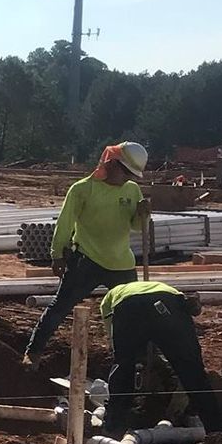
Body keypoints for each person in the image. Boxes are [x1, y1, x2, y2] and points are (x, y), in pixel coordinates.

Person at [24, 140, 151, 364]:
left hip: (121, 264)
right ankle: (33, 353)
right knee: (60, 307)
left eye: (132, 175)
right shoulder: (83, 189)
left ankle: (140, 359)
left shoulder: (132, 190)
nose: (128, 178)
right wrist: (57, 255)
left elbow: (136, 226)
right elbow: (65, 223)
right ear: (111, 163)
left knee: (135, 312)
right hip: (87, 260)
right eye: (126, 173)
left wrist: (143, 216)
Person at [98, 281, 222, 434]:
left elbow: (116, 343)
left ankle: (114, 425)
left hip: (129, 308)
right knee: (192, 371)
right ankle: (216, 430)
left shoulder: (109, 299)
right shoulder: (164, 287)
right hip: (169, 305)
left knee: (123, 367)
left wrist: (137, 352)